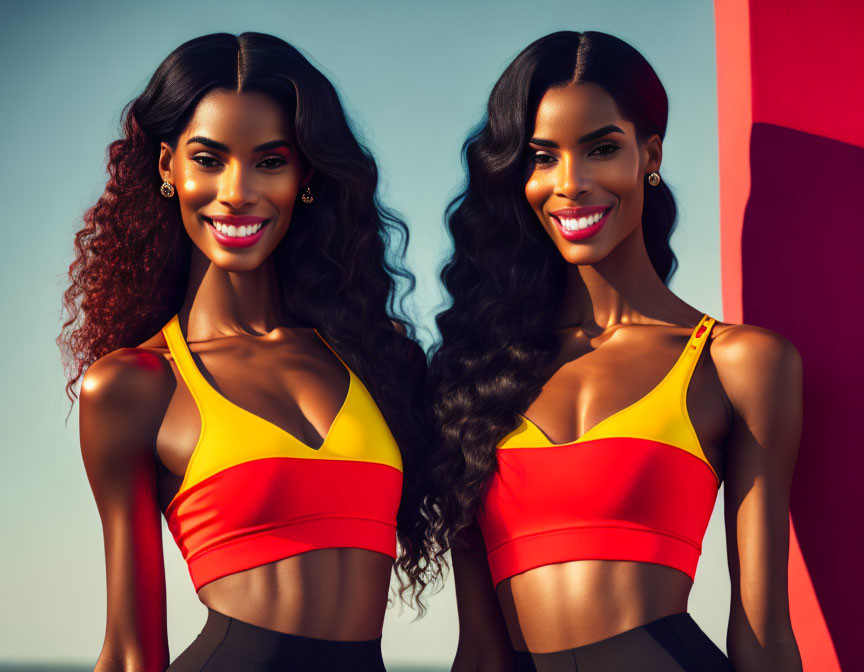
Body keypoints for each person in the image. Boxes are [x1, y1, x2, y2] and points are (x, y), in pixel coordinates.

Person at [58, 32, 434, 672]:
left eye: (269, 161)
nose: (236, 191)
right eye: (209, 159)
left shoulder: (380, 358)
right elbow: (130, 649)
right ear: (166, 167)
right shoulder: (134, 386)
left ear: (305, 175)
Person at [427, 31, 803, 672]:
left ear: (648, 154)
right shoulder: (473, 376)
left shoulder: (735, 364)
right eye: (542, 158)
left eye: (601, 149)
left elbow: (761, 634)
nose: (569, 184)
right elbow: (482, 652)